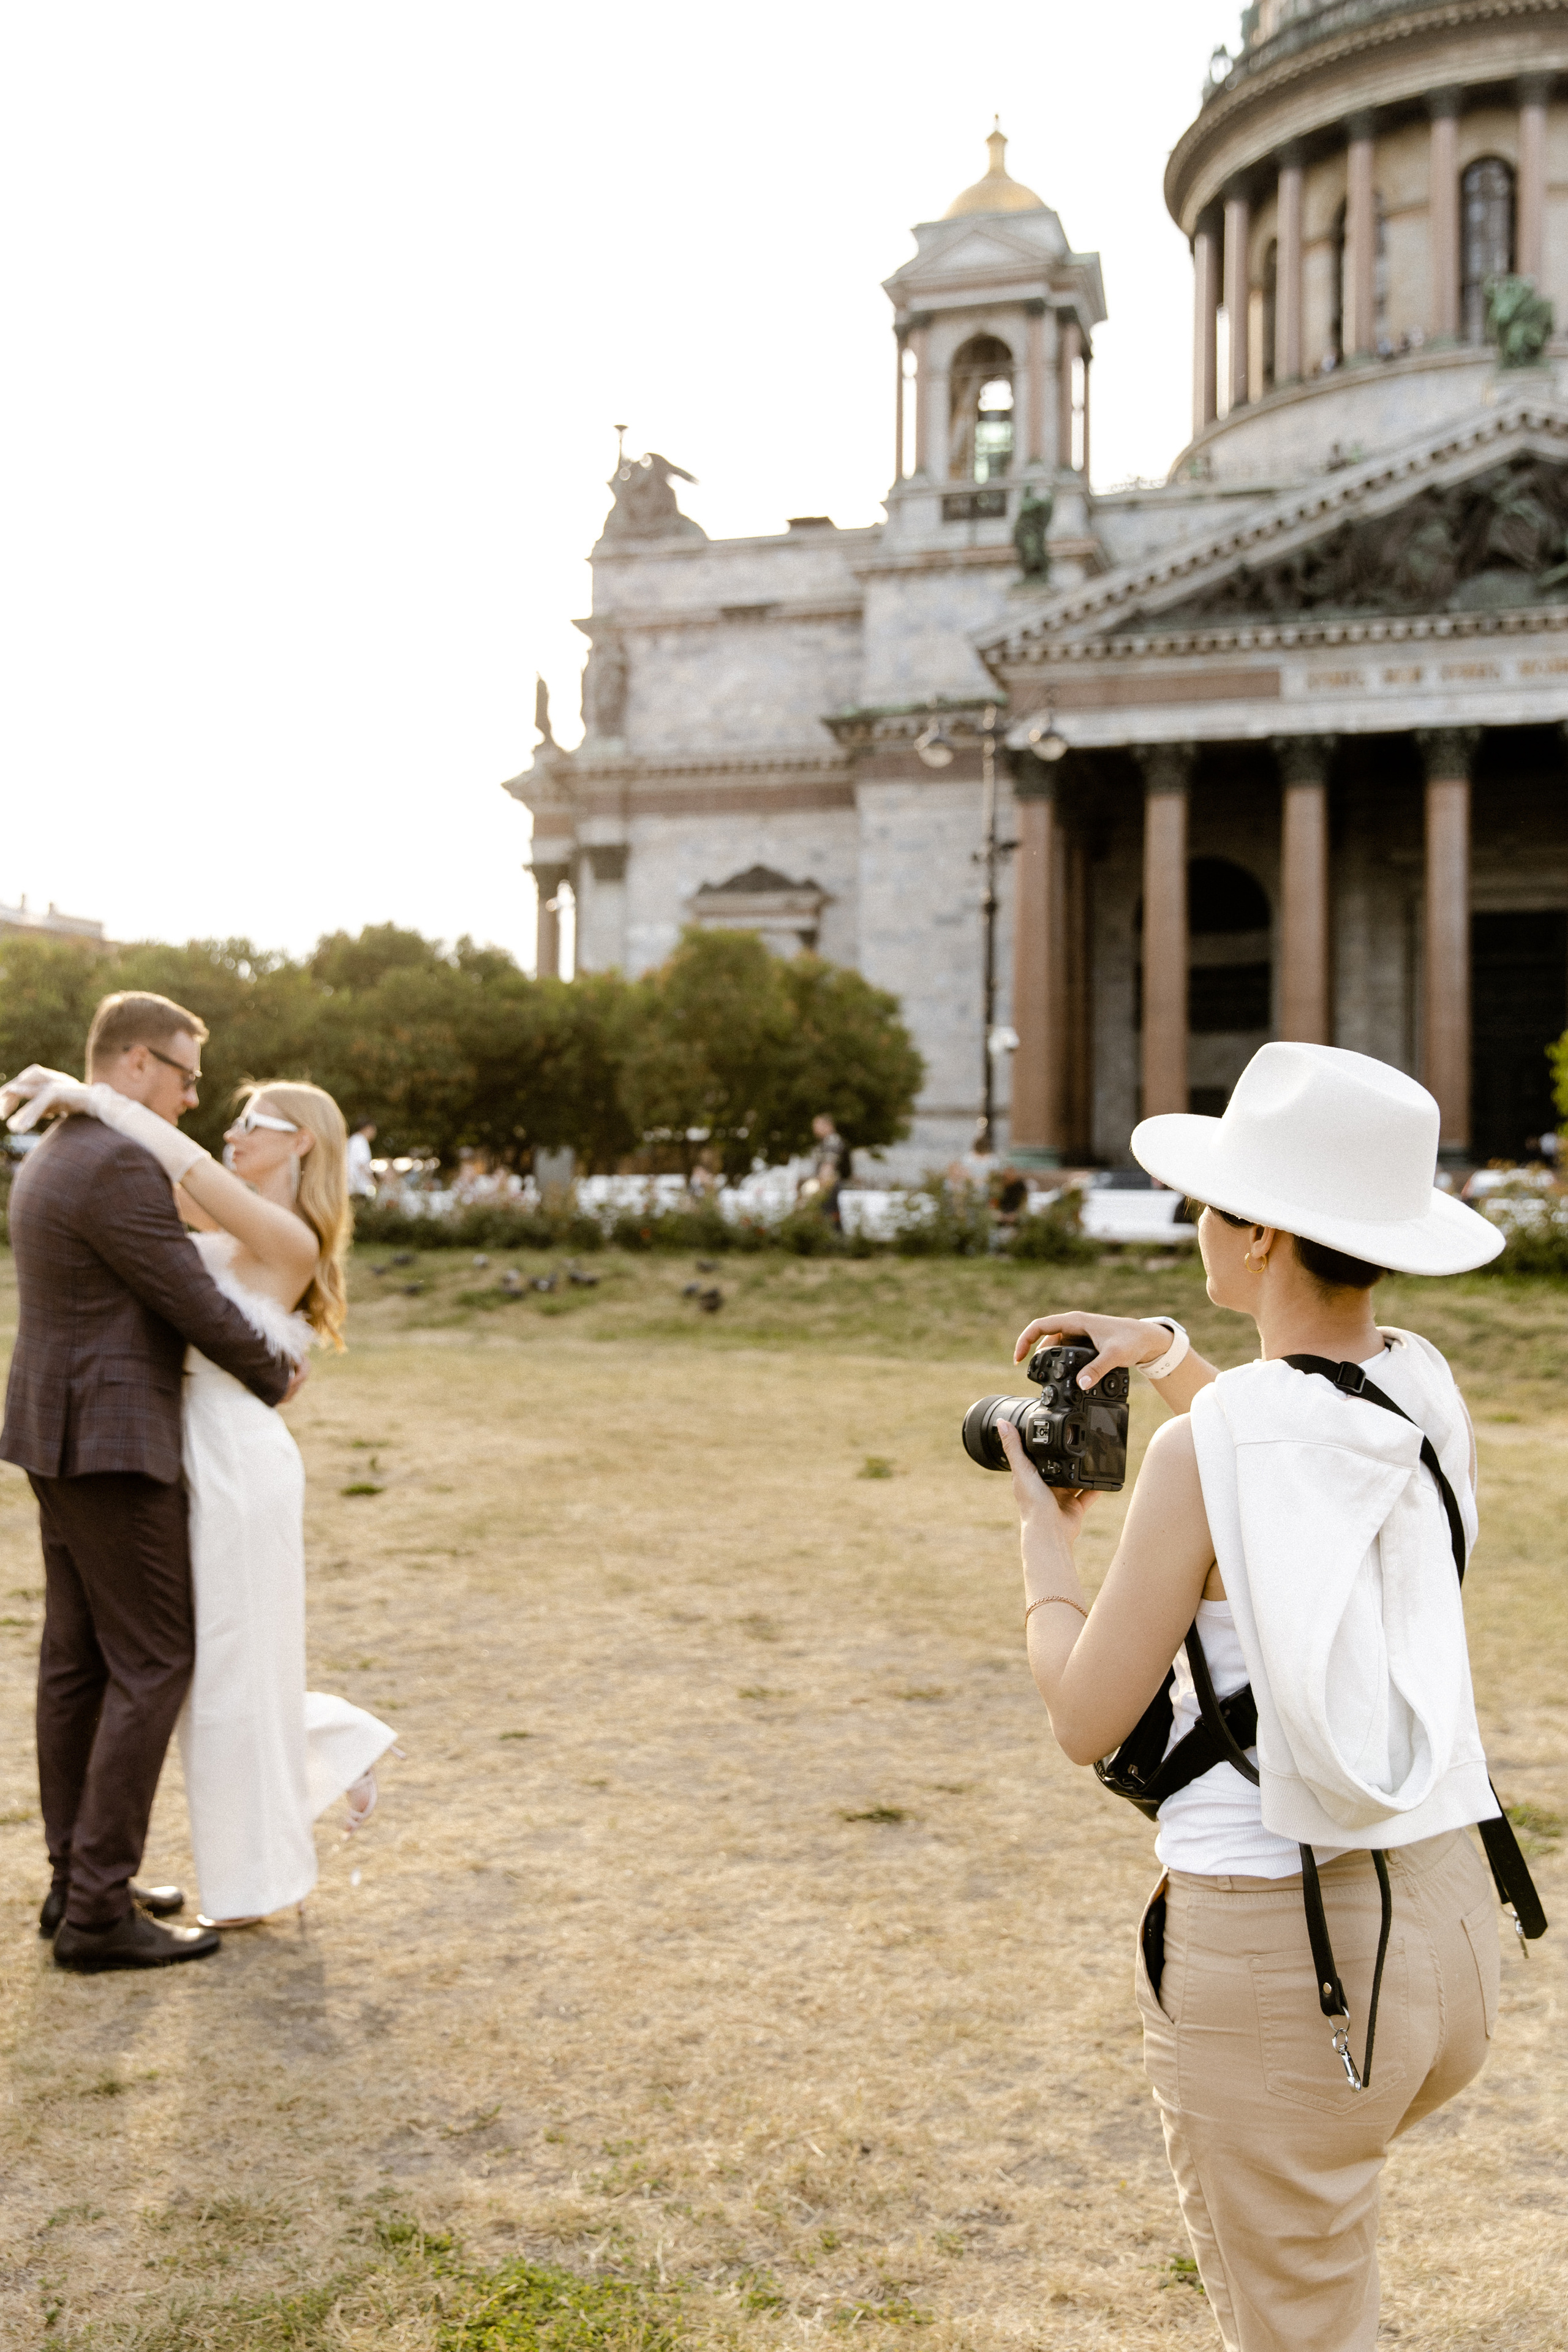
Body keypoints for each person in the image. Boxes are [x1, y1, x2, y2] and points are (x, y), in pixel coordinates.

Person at [990, 1042, 1517, 2351]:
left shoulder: (1199, 1457)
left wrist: (1042, 1543)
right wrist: (1167, 1351)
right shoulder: (1418, 1383)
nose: (1197, 1226)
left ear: (1264, 1233)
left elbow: (1085, 1719)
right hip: (1444, 1933)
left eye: (1210, 1206)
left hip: (1288, 1964)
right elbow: (1295, 1446)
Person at [5, 1022, 396, 1948]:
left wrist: (95, 1096)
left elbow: (190, 1257)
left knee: (196, 1656)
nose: (224, 1126)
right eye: (210, 1098)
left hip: (230, 1455)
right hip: (174, 1444)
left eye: (251, 1119)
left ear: (300, 1140)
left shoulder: (279, 1228)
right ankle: (95, 1887)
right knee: (178, 1659)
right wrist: (97, 1105)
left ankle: (104, 1885)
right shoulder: (211, 1210)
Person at [346, 1120, 377, 1200]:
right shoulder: (360, 1141)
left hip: (350, 1185)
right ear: (368, 1128)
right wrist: (373, 1181)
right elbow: (362, 1165)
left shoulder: (354, 1139)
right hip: (358, 1187)